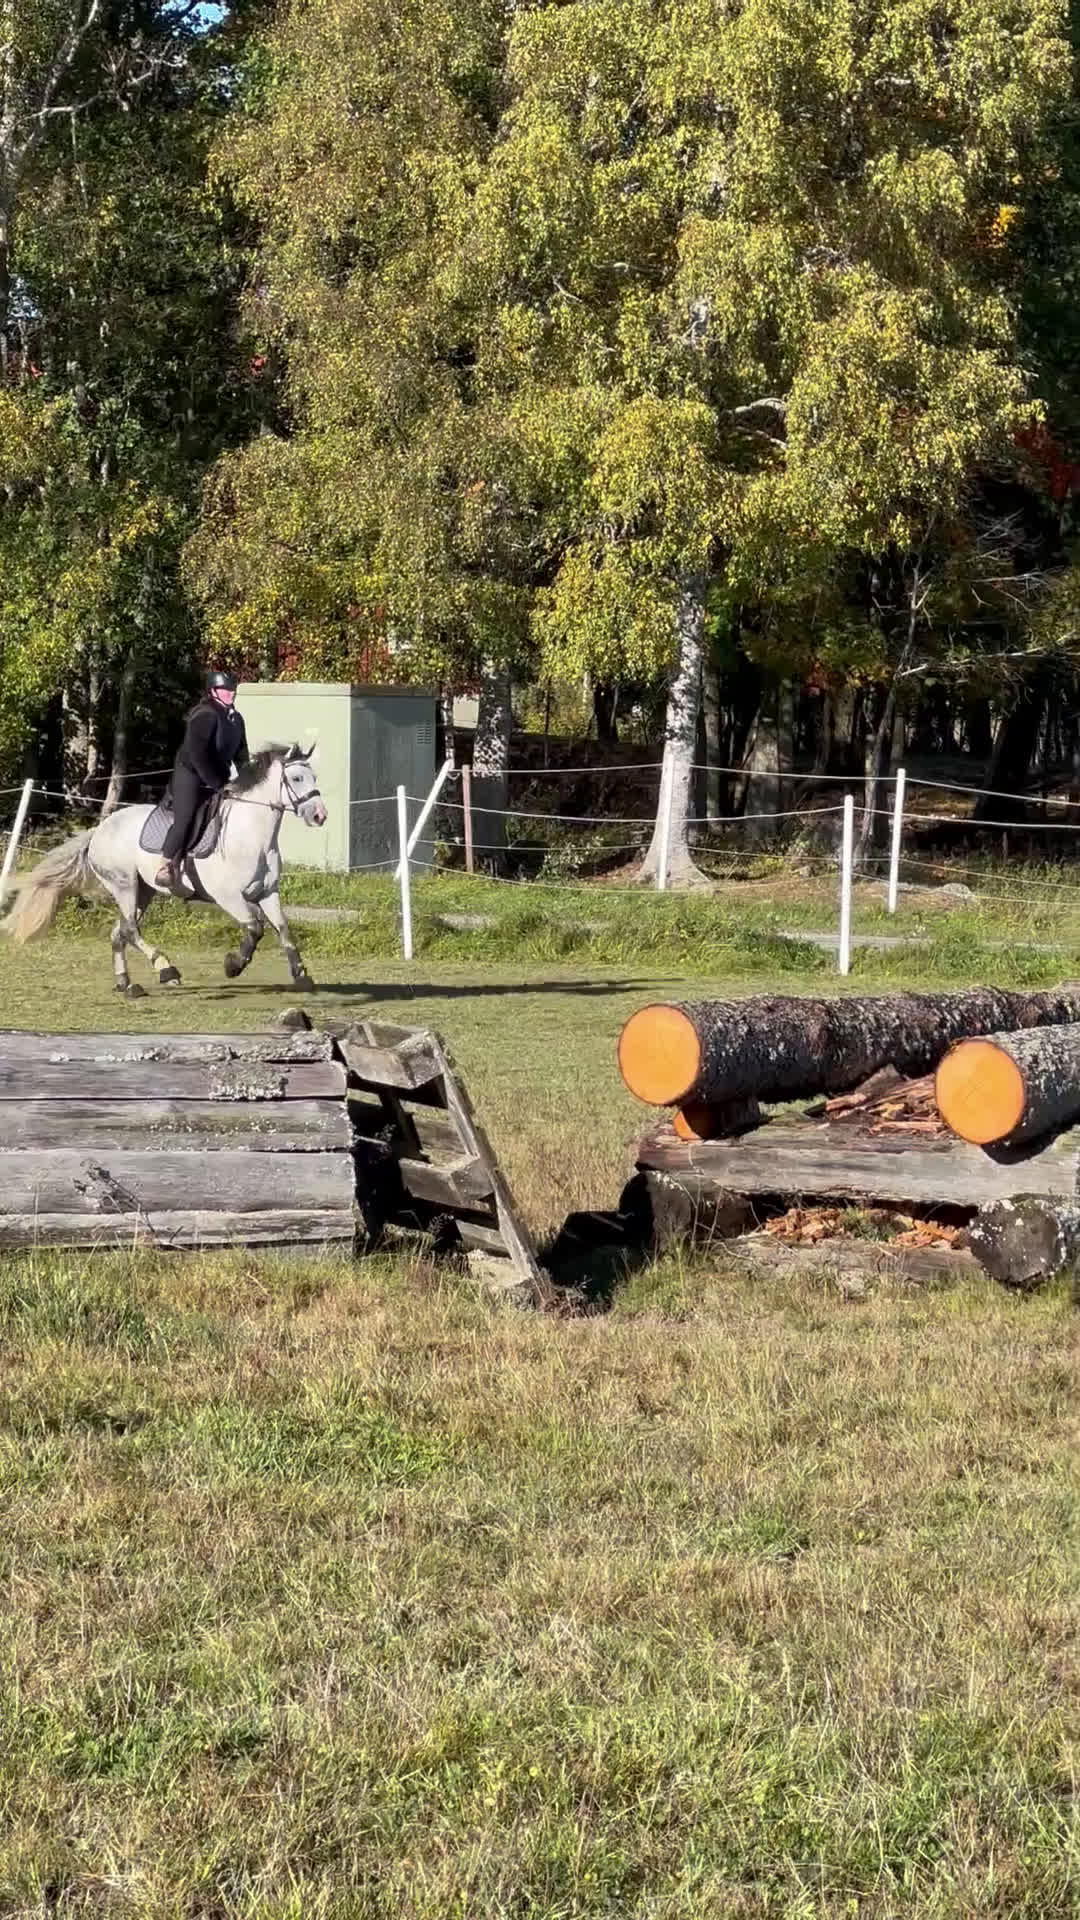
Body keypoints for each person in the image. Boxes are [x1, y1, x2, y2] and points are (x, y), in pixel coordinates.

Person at [155, 670, 249, 893]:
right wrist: (215, 782)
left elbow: (241, 754)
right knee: (186, 817)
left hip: (218, 775)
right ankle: (166, 864)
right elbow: (197, 754)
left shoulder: (236, 719)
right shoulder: (204, 714)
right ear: (213, 691)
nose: (231, 693)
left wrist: (247, 780)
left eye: (232, 689)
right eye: (226, 690)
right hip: (190, 774)